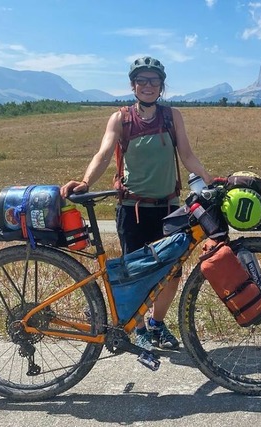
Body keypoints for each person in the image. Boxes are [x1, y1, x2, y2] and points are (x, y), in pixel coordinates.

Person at [61, 56, 212, 351]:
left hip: (169, 208)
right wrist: (86, 182)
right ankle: (139, 327)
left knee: (172, 272)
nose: (147, 86)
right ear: (133, 85)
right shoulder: (121, 118)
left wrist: (208, 177)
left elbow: (187, 156)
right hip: (133, 209)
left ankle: (157, 324)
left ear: (161, 87)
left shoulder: (172, 117)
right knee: (136, 272)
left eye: (153, 81)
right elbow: (104, 153)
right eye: (141, 80)